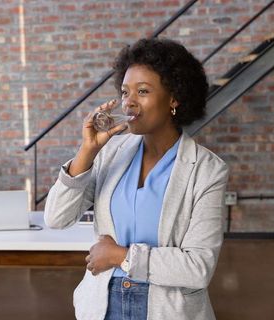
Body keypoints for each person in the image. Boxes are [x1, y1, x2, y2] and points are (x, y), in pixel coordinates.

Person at [44, 38, 229, 320]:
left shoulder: (207, 170)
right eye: (125, 92)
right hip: (103, 307)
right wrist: (87, 151)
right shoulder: (110, 153)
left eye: (142, 91)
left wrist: (121, 256)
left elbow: (198, 268)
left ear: (174, 98)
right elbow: (56, 218)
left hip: (166, 309)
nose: (129, 102)